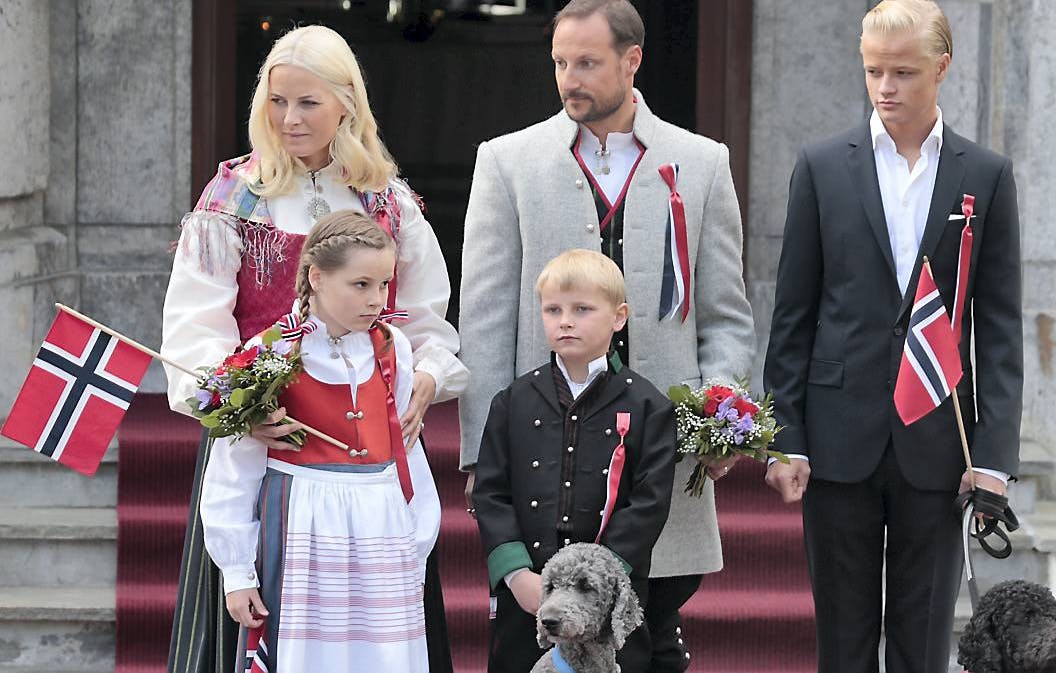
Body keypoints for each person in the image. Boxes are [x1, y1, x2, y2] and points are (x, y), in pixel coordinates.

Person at [161, 25, 467, 673]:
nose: (289, 119)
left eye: (308, 103)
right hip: (266, 459)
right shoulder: (233, 198)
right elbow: (195, 329)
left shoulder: (388, 202)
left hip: (370, 466)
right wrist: (240, 411)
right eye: (277, 102)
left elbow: (423, 317)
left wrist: (428, 378)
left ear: (346, 105)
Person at [457, 2, 755, 668]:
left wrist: (721, 417)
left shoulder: (700, 163)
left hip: (656, 457)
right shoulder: (507, 161)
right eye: (560, 62)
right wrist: (481, 449)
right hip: (544, 460)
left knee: (649, 635)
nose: (569, 78)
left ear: (632, 60)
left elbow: (726, 312)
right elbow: (482, 312)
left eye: (587, 62)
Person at [763, 1, 1023, 672]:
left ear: (942, 68)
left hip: (938, 437)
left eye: (904, 72)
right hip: (836, 434)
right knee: (842, 642)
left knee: (923, 638)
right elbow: (793, 312)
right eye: (874, 71)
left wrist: (993, 454)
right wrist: (784, 434)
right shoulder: (821, 166)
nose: (886, 88)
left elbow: (997, 326)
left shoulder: (985, 175)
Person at [200, 211, 443, 672]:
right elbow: (233, 471)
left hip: (382, 532)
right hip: (304, 533)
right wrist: (236, 571)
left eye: (384, 284)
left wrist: (417, 543)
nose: (377, 299)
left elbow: (406, 454)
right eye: (361, 284)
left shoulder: (393, 348)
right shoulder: (273, 353)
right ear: (316, 276)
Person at [472, 249, 678, 673]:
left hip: (608, 597)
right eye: (553, 309)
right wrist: (517, 575)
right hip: (531, 596)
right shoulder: (512, 402)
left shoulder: (648, 405)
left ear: (618, 316)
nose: (565, 320)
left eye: (582, 309)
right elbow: (491, 492)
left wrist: (602, 578)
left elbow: (650, 501)